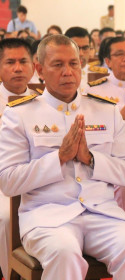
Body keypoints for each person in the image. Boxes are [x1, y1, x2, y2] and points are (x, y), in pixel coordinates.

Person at [0, 34, 125, 279]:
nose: (68, 72)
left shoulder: (106, 110)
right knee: (64, 253)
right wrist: (59, 158)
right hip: (47, 217)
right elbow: (8, 182)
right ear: (39, 69)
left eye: (73, 63)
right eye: (58, 64)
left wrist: (90, 158)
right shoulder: (20, 114)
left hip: (102, 213)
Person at [87, 37, 125, 222]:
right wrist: (120, 116)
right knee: (124, 184)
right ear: (108, 61)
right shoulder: (96, 91)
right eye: (119, 54)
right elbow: (91, 130)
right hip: (117, 157)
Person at [0, 38, 36, 280]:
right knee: (6, 218)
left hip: (37, 179)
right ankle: (10, 273)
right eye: (10, 62)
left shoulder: (43, 100)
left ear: (34, 65)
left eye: (23, 61)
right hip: (4, 183)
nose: (17, 68)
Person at [64, 27, 94, 94]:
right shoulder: (56, 73)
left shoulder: (98, 75)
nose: (81, 53)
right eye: (76, 48)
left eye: (85, 48)